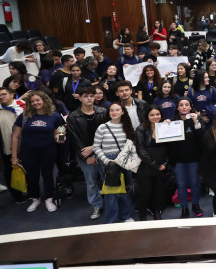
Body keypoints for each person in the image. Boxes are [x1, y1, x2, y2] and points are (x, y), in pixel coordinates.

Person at [11, 91, 66, 214]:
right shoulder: (24, 116)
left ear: (45, 100)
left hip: (48, 150)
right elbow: (15, 136)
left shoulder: (55, 115)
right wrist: (14, 156)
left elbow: (62, 129)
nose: (36, 103)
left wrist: (60, 138)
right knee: (31, 176)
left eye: (38, 100)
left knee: (47, 175)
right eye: (33, 101)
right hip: (28, 152)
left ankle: (49, 199)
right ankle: (35, 198)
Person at [66, 87, 107, 220]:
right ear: (80, 98)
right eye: (85, 96)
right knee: (91, 183)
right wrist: (88, 155)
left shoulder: (103, 112)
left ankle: (112, 204)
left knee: (109, 179)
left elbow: (108, 133)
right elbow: (74, 139)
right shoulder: (73, 116)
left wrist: (94, 148)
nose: (89, 98)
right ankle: (96, 206)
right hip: (84, 155)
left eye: (91, 96)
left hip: (104, 152)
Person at [92, 102, 135, 223]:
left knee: (125, 190)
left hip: (124, 161)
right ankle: (110, 220)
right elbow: (96, 147)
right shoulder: (102, 127)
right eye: (112, 110)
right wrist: (105, 160)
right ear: (109, 112)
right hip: (108, 162)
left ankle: (125, 216)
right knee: (111, 193)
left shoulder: (126, 126)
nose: (114, 112)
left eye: (117, 110)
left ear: (122, 112)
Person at [170, 97, 204, 218]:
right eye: (181, 105)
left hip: (193, 160)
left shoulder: (196, 119)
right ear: (178, 108)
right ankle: (184, 208)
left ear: (190, 107)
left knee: (195, 183)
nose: (184, 107)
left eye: (186, 105)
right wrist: (164, 127)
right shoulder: (172, 121)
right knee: (181, 185)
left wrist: (196, 122)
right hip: (178, 161)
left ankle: (195, 205)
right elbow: (166, 142)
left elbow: (202, 138)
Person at [133, 105, 168, 220]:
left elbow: (170, 148)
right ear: (147, 116)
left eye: (158, 114)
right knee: (145, 192)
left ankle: (157, 211)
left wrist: (165, 163)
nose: (155, 117)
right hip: (145, 166)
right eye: (152, 115)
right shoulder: (141, 129)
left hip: (161, 167)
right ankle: (142, 215)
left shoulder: (165, 127)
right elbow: (141, 150)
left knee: (158, 191)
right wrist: (154, 164)